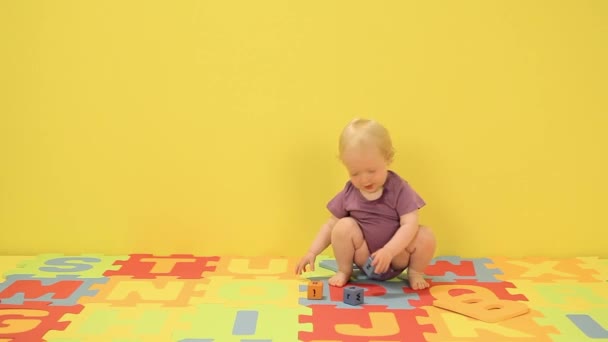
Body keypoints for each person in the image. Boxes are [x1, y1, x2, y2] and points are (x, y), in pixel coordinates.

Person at [295, 118, 436, 290]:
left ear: (388, 158)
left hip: (397, 257)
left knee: (425, 235)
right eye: (355, 173)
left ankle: (415, 272)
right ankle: (344, 270)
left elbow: (410, 223)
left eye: (371, 171)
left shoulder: (399, 188)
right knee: (342, 225)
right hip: (364, 255)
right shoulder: (350, 192)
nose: (364, 179)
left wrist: (389, 251)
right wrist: (312, 252)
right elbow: (330, 225)